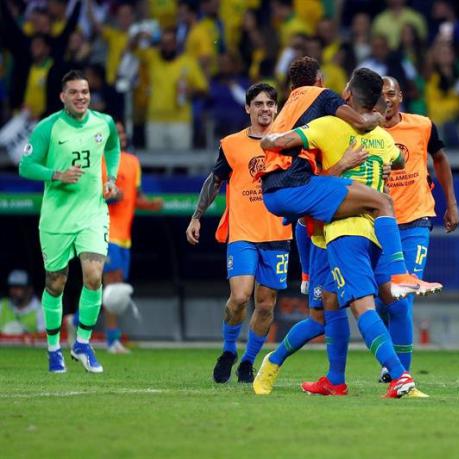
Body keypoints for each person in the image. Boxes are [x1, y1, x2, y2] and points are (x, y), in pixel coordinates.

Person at [256, 69, 420, 398]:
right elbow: (401, 161)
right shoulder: (383, 136)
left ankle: (401, 376)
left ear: (346, 93)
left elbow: (289, 151)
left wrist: (270, 137)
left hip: (343, 233)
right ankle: (333, 379)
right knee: (326, 309)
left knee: (361, 308)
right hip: (376, 233)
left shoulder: (328, 125)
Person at [258, 57, 441, 297]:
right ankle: (400, 275)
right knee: (382, 202)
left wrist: (266, 139)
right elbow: (392, 151)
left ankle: (306, 276)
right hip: (350, 228)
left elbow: (277, 143)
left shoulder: (296, 109)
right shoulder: (328, 107)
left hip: (287, 198)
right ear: (321, 81)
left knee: (325, 315)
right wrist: (376, 120)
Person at [185, 83, 292, 384]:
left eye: (270, 104)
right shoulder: (232, 144)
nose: (265, 109)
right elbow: (214, 180)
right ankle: (229, 350)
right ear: (247, 109)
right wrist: (196, 217)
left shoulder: (289, 142)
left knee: (266, 304)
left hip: (277, 232)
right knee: (240, 297)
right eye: (258, 104)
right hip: (243, 233)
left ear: (276, 108)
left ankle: (248, 361)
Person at [18, 69, 120, 373]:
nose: (81, 97)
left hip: (92, 212)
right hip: (56, 217)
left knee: (93, 276)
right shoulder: (47, 127)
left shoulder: (105, 123)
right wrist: (56, 175)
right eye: (74, 92)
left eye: (85, 92)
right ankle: (53, 350)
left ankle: (83, 344)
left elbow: (113, 147)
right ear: (63, 96)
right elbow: (25, 165)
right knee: (55, 282)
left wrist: (110, 178)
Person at [376, 76, 459, 381]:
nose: (387, 100)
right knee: (381, 300)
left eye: (392, 94)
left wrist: (451, 203)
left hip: (415, 222)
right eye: (381, 95)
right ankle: (392, 363)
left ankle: (400, 372)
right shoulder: (363, 131)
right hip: (377, 224)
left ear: (400, 97)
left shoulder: (422, 125)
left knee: (401, 297)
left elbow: (440, 158)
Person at [102, 121, 163, 354]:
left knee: (114, 289)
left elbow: (134, 198)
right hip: (106, 232)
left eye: (122, 132)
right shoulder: (101, 161)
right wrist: (111, 196)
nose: (121, 136)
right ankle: (112, 341)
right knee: (113, 287)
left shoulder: (133, 162)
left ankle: (75, 321)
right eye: (115, 133)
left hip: (125, 236)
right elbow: (95, 197)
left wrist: (150, 205)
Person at [0, 270, 45, 335]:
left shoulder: (40, 310)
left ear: (29, 289)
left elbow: (43, 339)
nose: (14, 291)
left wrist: (25, 333)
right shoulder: (2, 305)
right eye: (12, 287)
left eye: (18, 287)